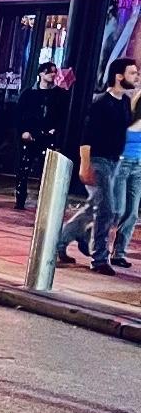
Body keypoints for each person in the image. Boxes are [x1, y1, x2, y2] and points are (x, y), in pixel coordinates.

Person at [57, 58, 137, 273]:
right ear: (119, 76)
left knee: (104, 208)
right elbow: (87, 136)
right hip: (98, 161)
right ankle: (99, 258)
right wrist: (85, 165)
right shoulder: (100, 103)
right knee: (106, 210)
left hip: (115, 161)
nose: (136, 77)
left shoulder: (124, 102)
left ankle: (63, 240)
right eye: (132, 73)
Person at [15, 61, 68, 210]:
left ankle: (44, 201)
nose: (52, 74)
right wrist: (23, 132)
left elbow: (63, 117)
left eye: (54, 72)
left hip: (49, 136)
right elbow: (18, 115)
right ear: (40, 73)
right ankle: (20, 199)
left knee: (47, 171)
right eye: (48, 71)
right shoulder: (28, 93)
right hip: (30, 135)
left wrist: (56, 130)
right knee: (24, 168)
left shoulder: (59, 94)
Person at [114, 91, 141, 269]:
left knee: (132, 213)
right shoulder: (126, 117)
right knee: (117, 209)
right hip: (121, 164)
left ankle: (119, 253)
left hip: (139, 167)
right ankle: (87, 236)